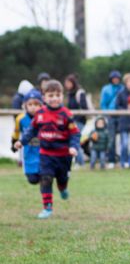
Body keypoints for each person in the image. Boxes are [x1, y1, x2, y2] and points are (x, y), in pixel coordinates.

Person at [13, 80, 80, 219]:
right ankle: (47, 208)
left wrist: (73, 147)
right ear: (44, 98)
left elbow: (74, 133)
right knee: (46, 179)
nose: (54, 98)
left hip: (63, 156)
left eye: (57, 95)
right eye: (51, 95)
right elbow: (31, 130)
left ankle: (63, 188)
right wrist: (21, 141)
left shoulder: (66, 114)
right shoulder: (40, 114)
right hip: (46, 155)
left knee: (62, 179)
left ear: (62, 96)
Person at [11, 90, 43, 184]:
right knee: (33, 180)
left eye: (36, 104)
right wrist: (14, 143)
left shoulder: (44, 117)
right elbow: (16, 132)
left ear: (41, 105)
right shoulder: (20, 118)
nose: (33, 107)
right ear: (25, 105)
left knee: (45, 177)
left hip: (42, 152)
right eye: (30, 104)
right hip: (28, 152)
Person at [100, 70, 124, 168]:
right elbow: (103, 103)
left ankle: (123, 160)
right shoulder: (106, 89)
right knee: (111, 139)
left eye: (117, 78)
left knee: (123, 139)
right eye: (114, 78)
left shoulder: (123, 88)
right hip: (110, 115)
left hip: (121, 115)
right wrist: (107, 114)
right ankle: (111, 160)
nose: (115, 80)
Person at [64, 74, 89, 167]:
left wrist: (75, 119)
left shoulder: (80, 93)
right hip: (72, 121)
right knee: (73, 140)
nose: (66, 85)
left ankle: (81, 162)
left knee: (75, 140)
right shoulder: (69, 94)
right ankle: (79, 162)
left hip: (79, 121)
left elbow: (84, 108)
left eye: (68, 83)